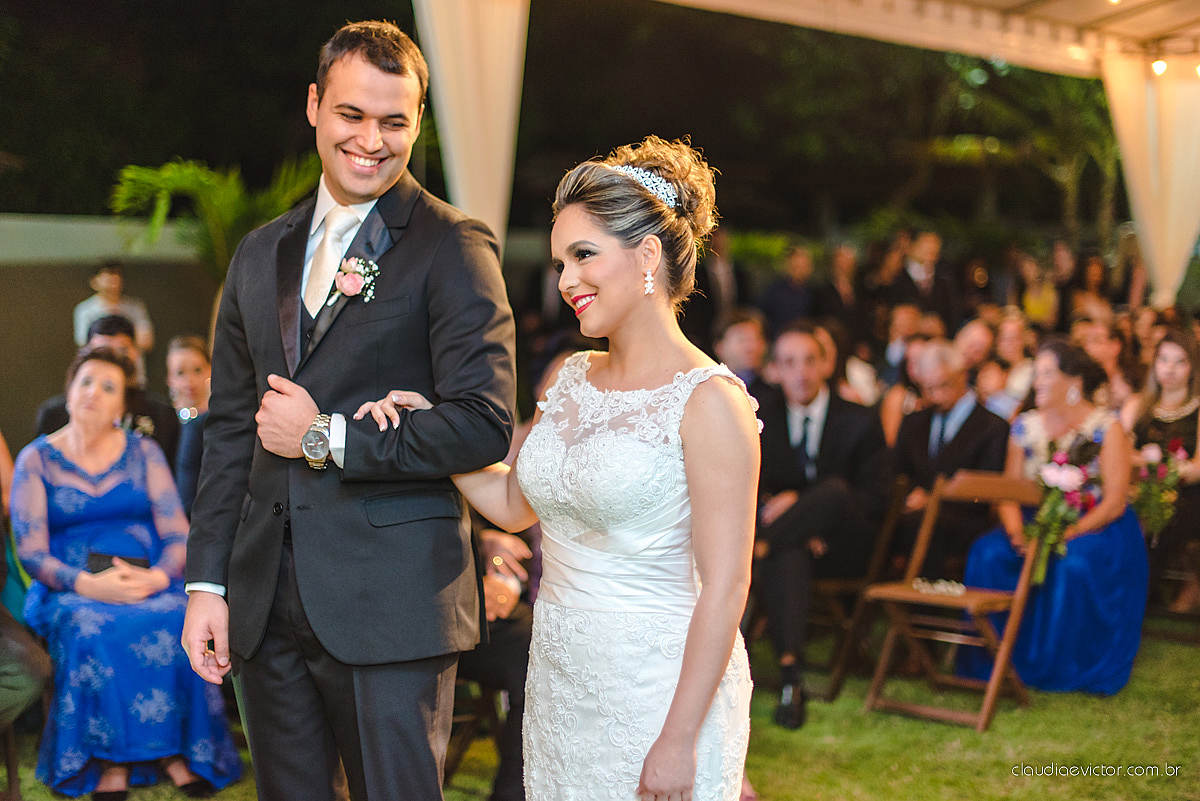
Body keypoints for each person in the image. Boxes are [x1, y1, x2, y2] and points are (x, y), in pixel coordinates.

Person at [358, 136, 758, 800]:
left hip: (658, 689)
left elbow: (726, 584)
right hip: (560, 677)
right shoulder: (571, 376)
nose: (565, 280)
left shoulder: (711, 402)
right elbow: (517, 502)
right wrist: (431, 427)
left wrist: (679, 737)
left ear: (648, 255)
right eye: (559, 261)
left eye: (583, 255)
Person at [180, 20, 516, 801]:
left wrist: (326, 438)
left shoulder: (453, 245)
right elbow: (229, 426)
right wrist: (209, 584)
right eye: (352, 114)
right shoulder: (260, 251)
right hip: (265, 599)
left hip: (394, 603)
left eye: (394, 121)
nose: (372, 139)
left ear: (418, 122)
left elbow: (484, 420)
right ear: (314, 106)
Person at [10, 347, 240, 799]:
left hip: (150, 579)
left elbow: (178, 533)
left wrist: (156, 578)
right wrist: (89, 585)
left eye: (109, 387)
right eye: (86, 382)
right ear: (69, 391)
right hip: (71, 587)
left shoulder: (146, 452)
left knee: (180, 616)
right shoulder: (35, 460)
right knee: (91, 626)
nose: (94, 393)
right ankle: (107, 758)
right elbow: (31, 552)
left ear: (123, 406)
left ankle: (178, 751)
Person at [959, 338, 1148, 694]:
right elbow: (1009, 492)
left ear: (1073, 382)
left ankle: (1064, 666)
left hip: (1096, 526)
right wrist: (1016, 533)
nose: (1038, 381)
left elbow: (1114, 502)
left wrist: (1069, 532)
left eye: (1047, 373)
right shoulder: (1024, 427)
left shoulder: (1106, 428)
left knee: (1070, 563)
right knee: (987, 553)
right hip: (1033, 520)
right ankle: (990, 659)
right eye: (1036, 373)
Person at [755, 321, 890, 728]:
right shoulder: (762, 416)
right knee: (790, 553)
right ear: (775, 369)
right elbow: (751, 486)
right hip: (793, 546)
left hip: (844, 544)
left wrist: (804, 505)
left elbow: (875, 499)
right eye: (789, 363)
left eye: (810, 361)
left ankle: (757, 548)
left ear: (826, 365)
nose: (801, 372)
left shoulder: (860, 419)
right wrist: (798, 525)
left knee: (832, 491)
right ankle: (791, 679)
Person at [893, 341, 1009, 577]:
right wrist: (910, 493)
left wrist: (934, 499)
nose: (936, 396)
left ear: (963, 375)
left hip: (964, 518)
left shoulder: (992, 427)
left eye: (944, 385)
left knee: (925, 523)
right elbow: (896, 469)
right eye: (929, 388)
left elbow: (986, 488)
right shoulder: (914, 422)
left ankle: (923, 604)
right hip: (912, 514)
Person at [1121, 329, 1200, 613]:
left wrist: (1165, 469)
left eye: (1180, 361)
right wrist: (1145, 462)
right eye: (1164, 359)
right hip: (1136, 489)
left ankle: (1134, 606)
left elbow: (1198, 467)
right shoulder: (1137, 405)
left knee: (1157, 522)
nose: (1170, 368)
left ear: (1192, 366)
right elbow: (1120, 453)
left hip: (1187, 494)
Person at [36, 315, 180, 470]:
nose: (113, 361)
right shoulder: (53, 415)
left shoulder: (163, 415)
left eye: (122, 351)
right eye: (102, 351)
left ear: (136, 353)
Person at [165, 336, 211, 516]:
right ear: (169, 378)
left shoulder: (221, 422)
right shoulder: (163, 422)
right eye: (180, 373)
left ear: (210, 370)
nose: (189, 380)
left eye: (197, 370)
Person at [72, 262, 154, 352]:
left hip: (130, 363)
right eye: (109, 274)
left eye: (117, 274)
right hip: (101, 363)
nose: (114, 279)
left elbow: (146, 342)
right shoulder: (85, 309)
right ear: (94, 281)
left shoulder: (135, 306)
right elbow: (84, 343)